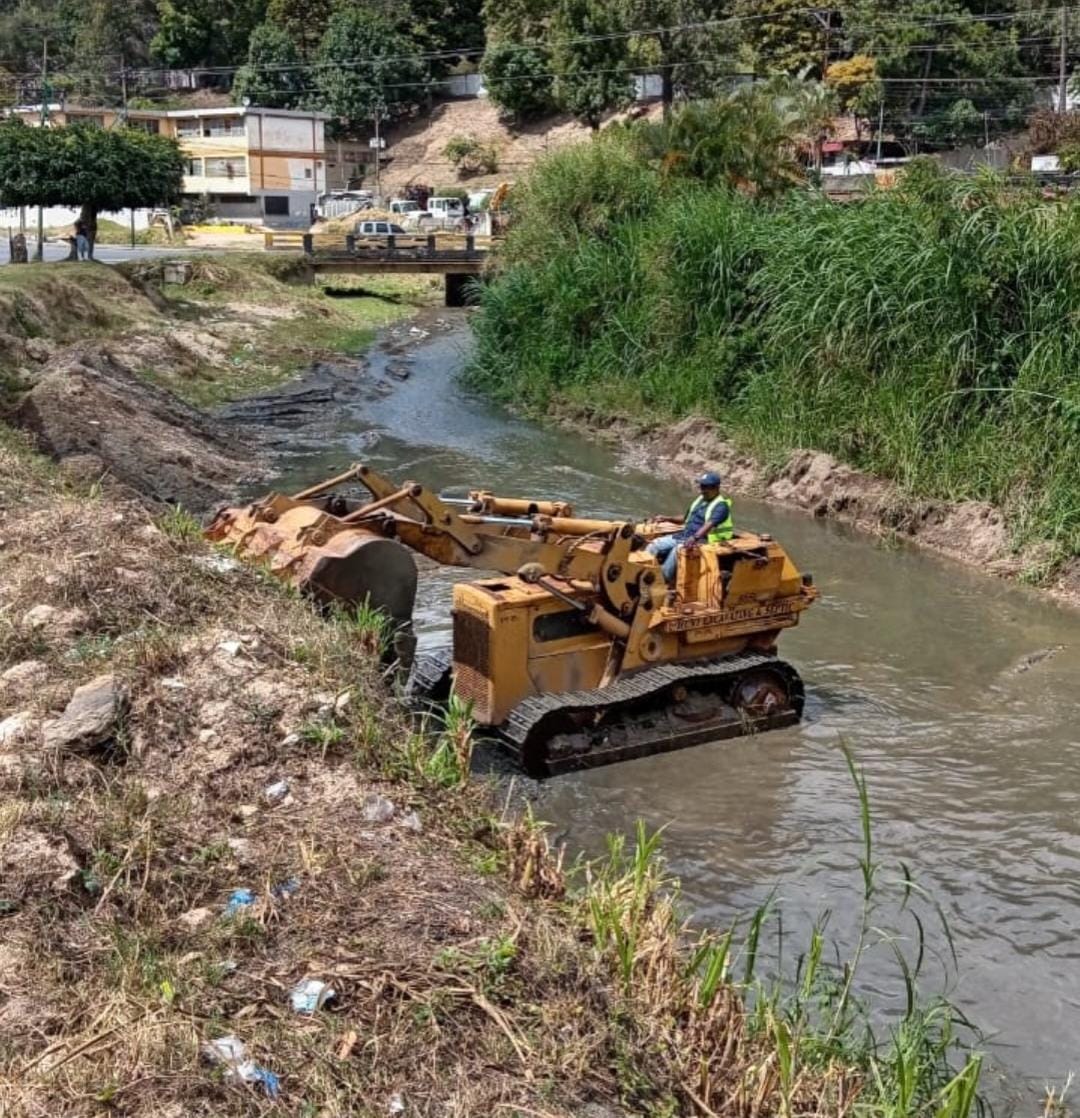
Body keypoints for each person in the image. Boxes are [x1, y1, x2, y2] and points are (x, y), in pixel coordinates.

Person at [646, 471, 733, 583]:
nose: (702, 490)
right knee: (654, 545)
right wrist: (666, 518)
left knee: (678, 550)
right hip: (685, 536)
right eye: (701, 486)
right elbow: (685, 518)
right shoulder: (700, 500)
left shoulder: (721, 506)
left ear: (716, 488)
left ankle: (662, 580)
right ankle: (644, 572)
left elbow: (709, 524)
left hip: (705, 541)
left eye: (706, 487)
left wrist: (695, 538)